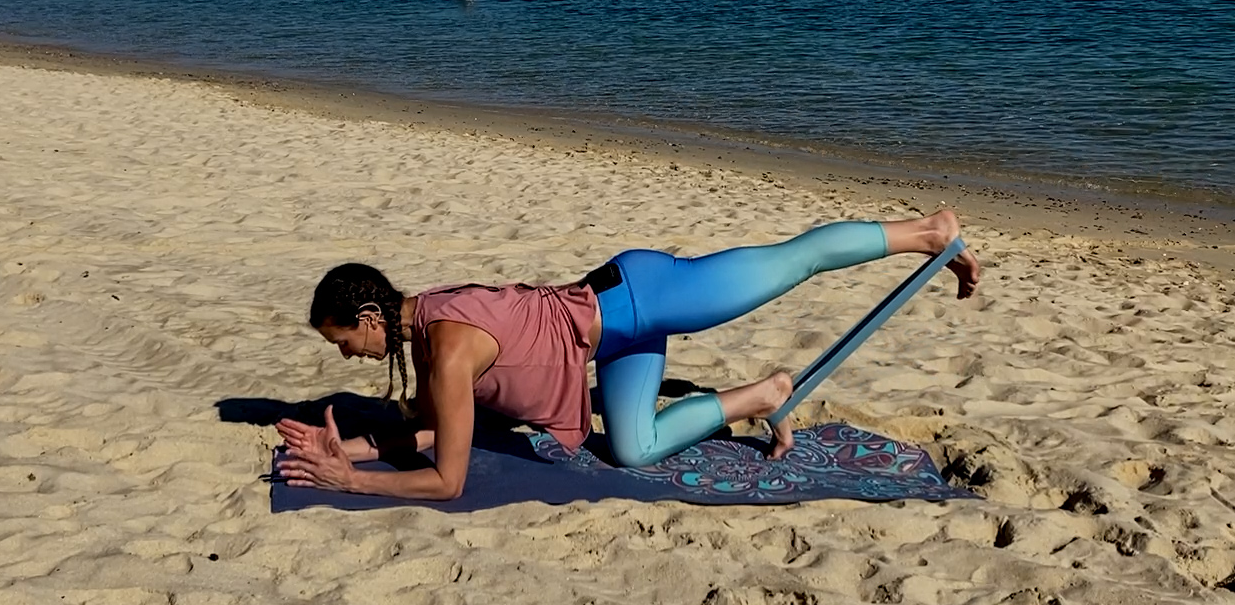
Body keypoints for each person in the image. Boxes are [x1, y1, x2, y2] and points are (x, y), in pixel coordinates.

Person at [275, 210, 980, 500]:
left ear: (369, 317)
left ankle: (923, 230)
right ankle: (762, 396)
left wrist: (351, 482)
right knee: (634, 452)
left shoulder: (448, 346)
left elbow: (447, 477)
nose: (349, 357)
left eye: (344, 341)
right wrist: (347, 447)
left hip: (646, 292)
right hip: (616, 335)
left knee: (790, 262)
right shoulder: (427, 326)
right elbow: (429, 423)